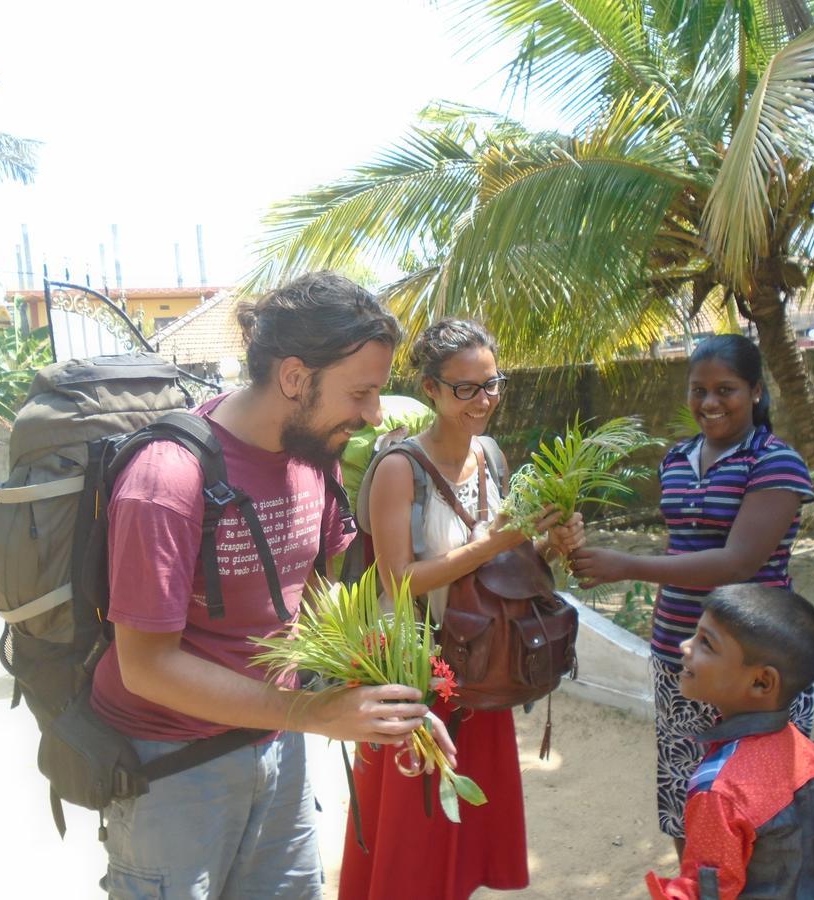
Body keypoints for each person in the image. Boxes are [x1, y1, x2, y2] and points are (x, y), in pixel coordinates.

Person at [89, 271, 456, 900]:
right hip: (171, 772)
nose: (372, 416)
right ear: (293, 377)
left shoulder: (314, 458)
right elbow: (145, 666)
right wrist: (313, 713)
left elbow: (320, 605)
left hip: (279, 749)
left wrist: (400, 702)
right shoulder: (167, 479)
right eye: (361, 393)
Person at [338, 318, 585, 900]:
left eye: (492, 384)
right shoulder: (400, 469)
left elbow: (504, 567)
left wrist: (553, 543)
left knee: (466, 833)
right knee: (414, 833)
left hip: (482, 666)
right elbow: (399, 582)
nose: (483, 401)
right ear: (430, 389)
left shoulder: (493, 457)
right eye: (465, 388)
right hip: (417, 673)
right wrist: (495, 542)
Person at [570, 333, 814, 852]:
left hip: (753, 661)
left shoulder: (776, 462)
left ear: (755, 391)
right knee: (689, 793)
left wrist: (625, 566)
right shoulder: (678, 459)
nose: (709, 403)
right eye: (698, 390)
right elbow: (685, 544)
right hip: (680, 652)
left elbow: (739, 563)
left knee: (761, 806)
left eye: (724, 389)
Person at [644, 584, 814, 899]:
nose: (684, 646)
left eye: (707, 643)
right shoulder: (810, 756)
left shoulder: (719, 791)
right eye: (695, 634)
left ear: (761, 681)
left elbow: (708, 891)